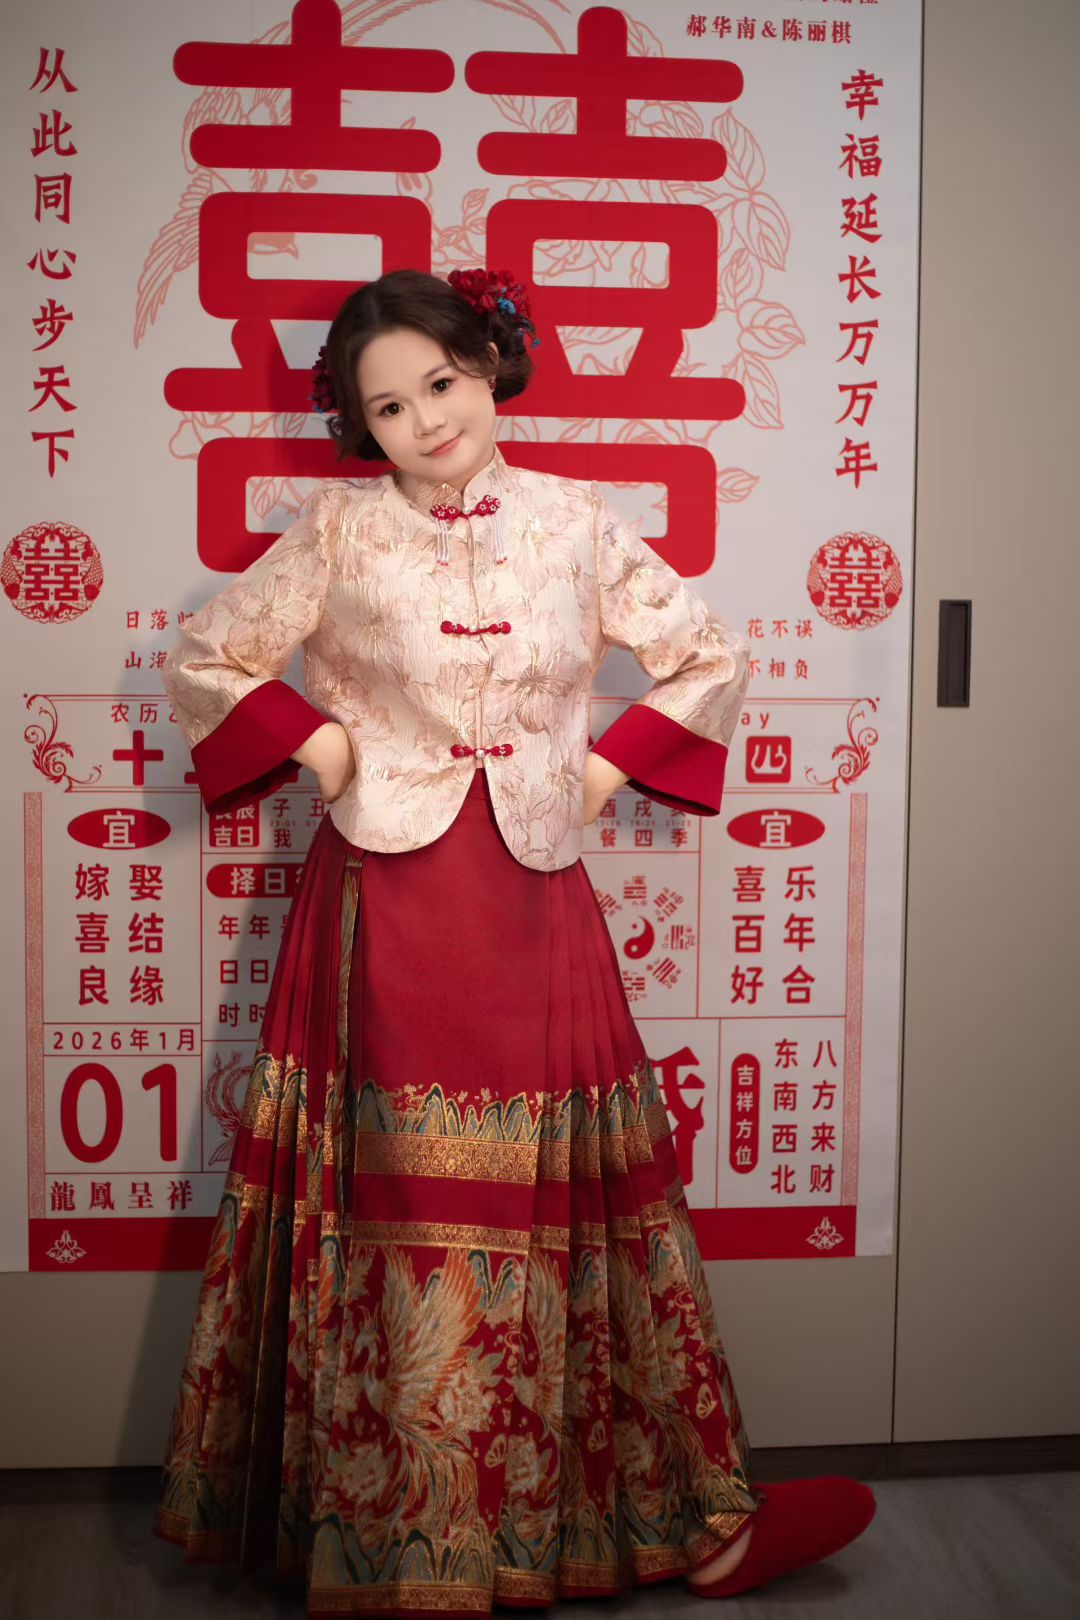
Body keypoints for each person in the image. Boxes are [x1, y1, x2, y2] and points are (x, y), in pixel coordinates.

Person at [152, 266, 876, 1615]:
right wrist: (321, 746)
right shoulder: (336, 530)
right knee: (397, 1193)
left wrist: (597, 774)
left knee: (574, 1198)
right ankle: (389, 1539)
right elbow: (206, 656)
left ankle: (669, 1523)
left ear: (488, 367)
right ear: (359, 427)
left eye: (441, 382)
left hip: (537, 895)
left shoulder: (576, 523)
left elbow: (709, 654)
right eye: (388, 407)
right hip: (384, 899)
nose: (425, 420)